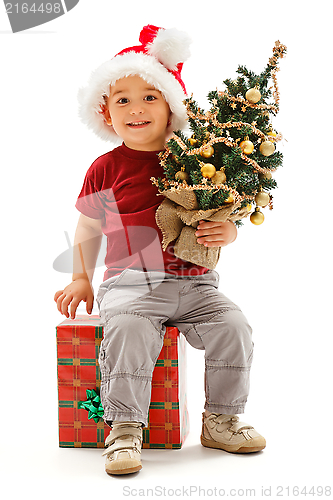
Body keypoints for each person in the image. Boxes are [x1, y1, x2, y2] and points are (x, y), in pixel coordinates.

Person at [54, 24, 266, 476]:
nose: (137, 108)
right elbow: (89, 225)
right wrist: (80, 276)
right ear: (106, 113)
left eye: (150, 96)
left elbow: (226, 212)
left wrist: (228, 232)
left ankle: (222, 420)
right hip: (133, 282)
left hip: (196, 282)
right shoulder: (105, 168)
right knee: (128, 330)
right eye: (122, 99)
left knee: (235, 326)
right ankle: (125, 429)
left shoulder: (196, 160)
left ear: (172, 105)